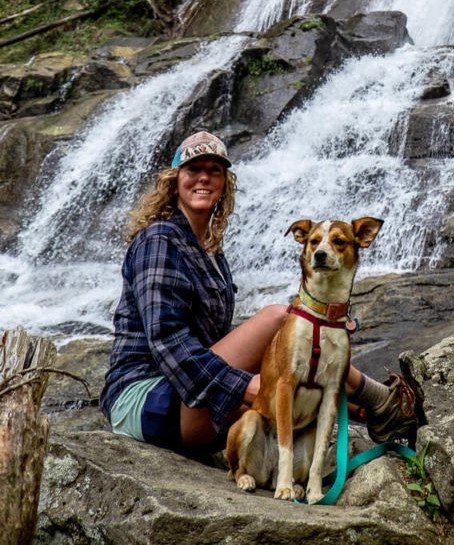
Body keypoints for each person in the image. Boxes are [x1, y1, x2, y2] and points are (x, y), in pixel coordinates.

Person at [100, 130, 416, 453]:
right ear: (174, 181)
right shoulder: (160, 240)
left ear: (225, 183)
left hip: (185, 398)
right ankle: (381, 401)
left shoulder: (211, 254)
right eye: (193, 170)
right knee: (283, 320)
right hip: (145, 400)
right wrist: (246, 386)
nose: (203, 178)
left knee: (289, 367)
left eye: (214, 171)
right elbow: (167, 341)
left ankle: (373, 411)